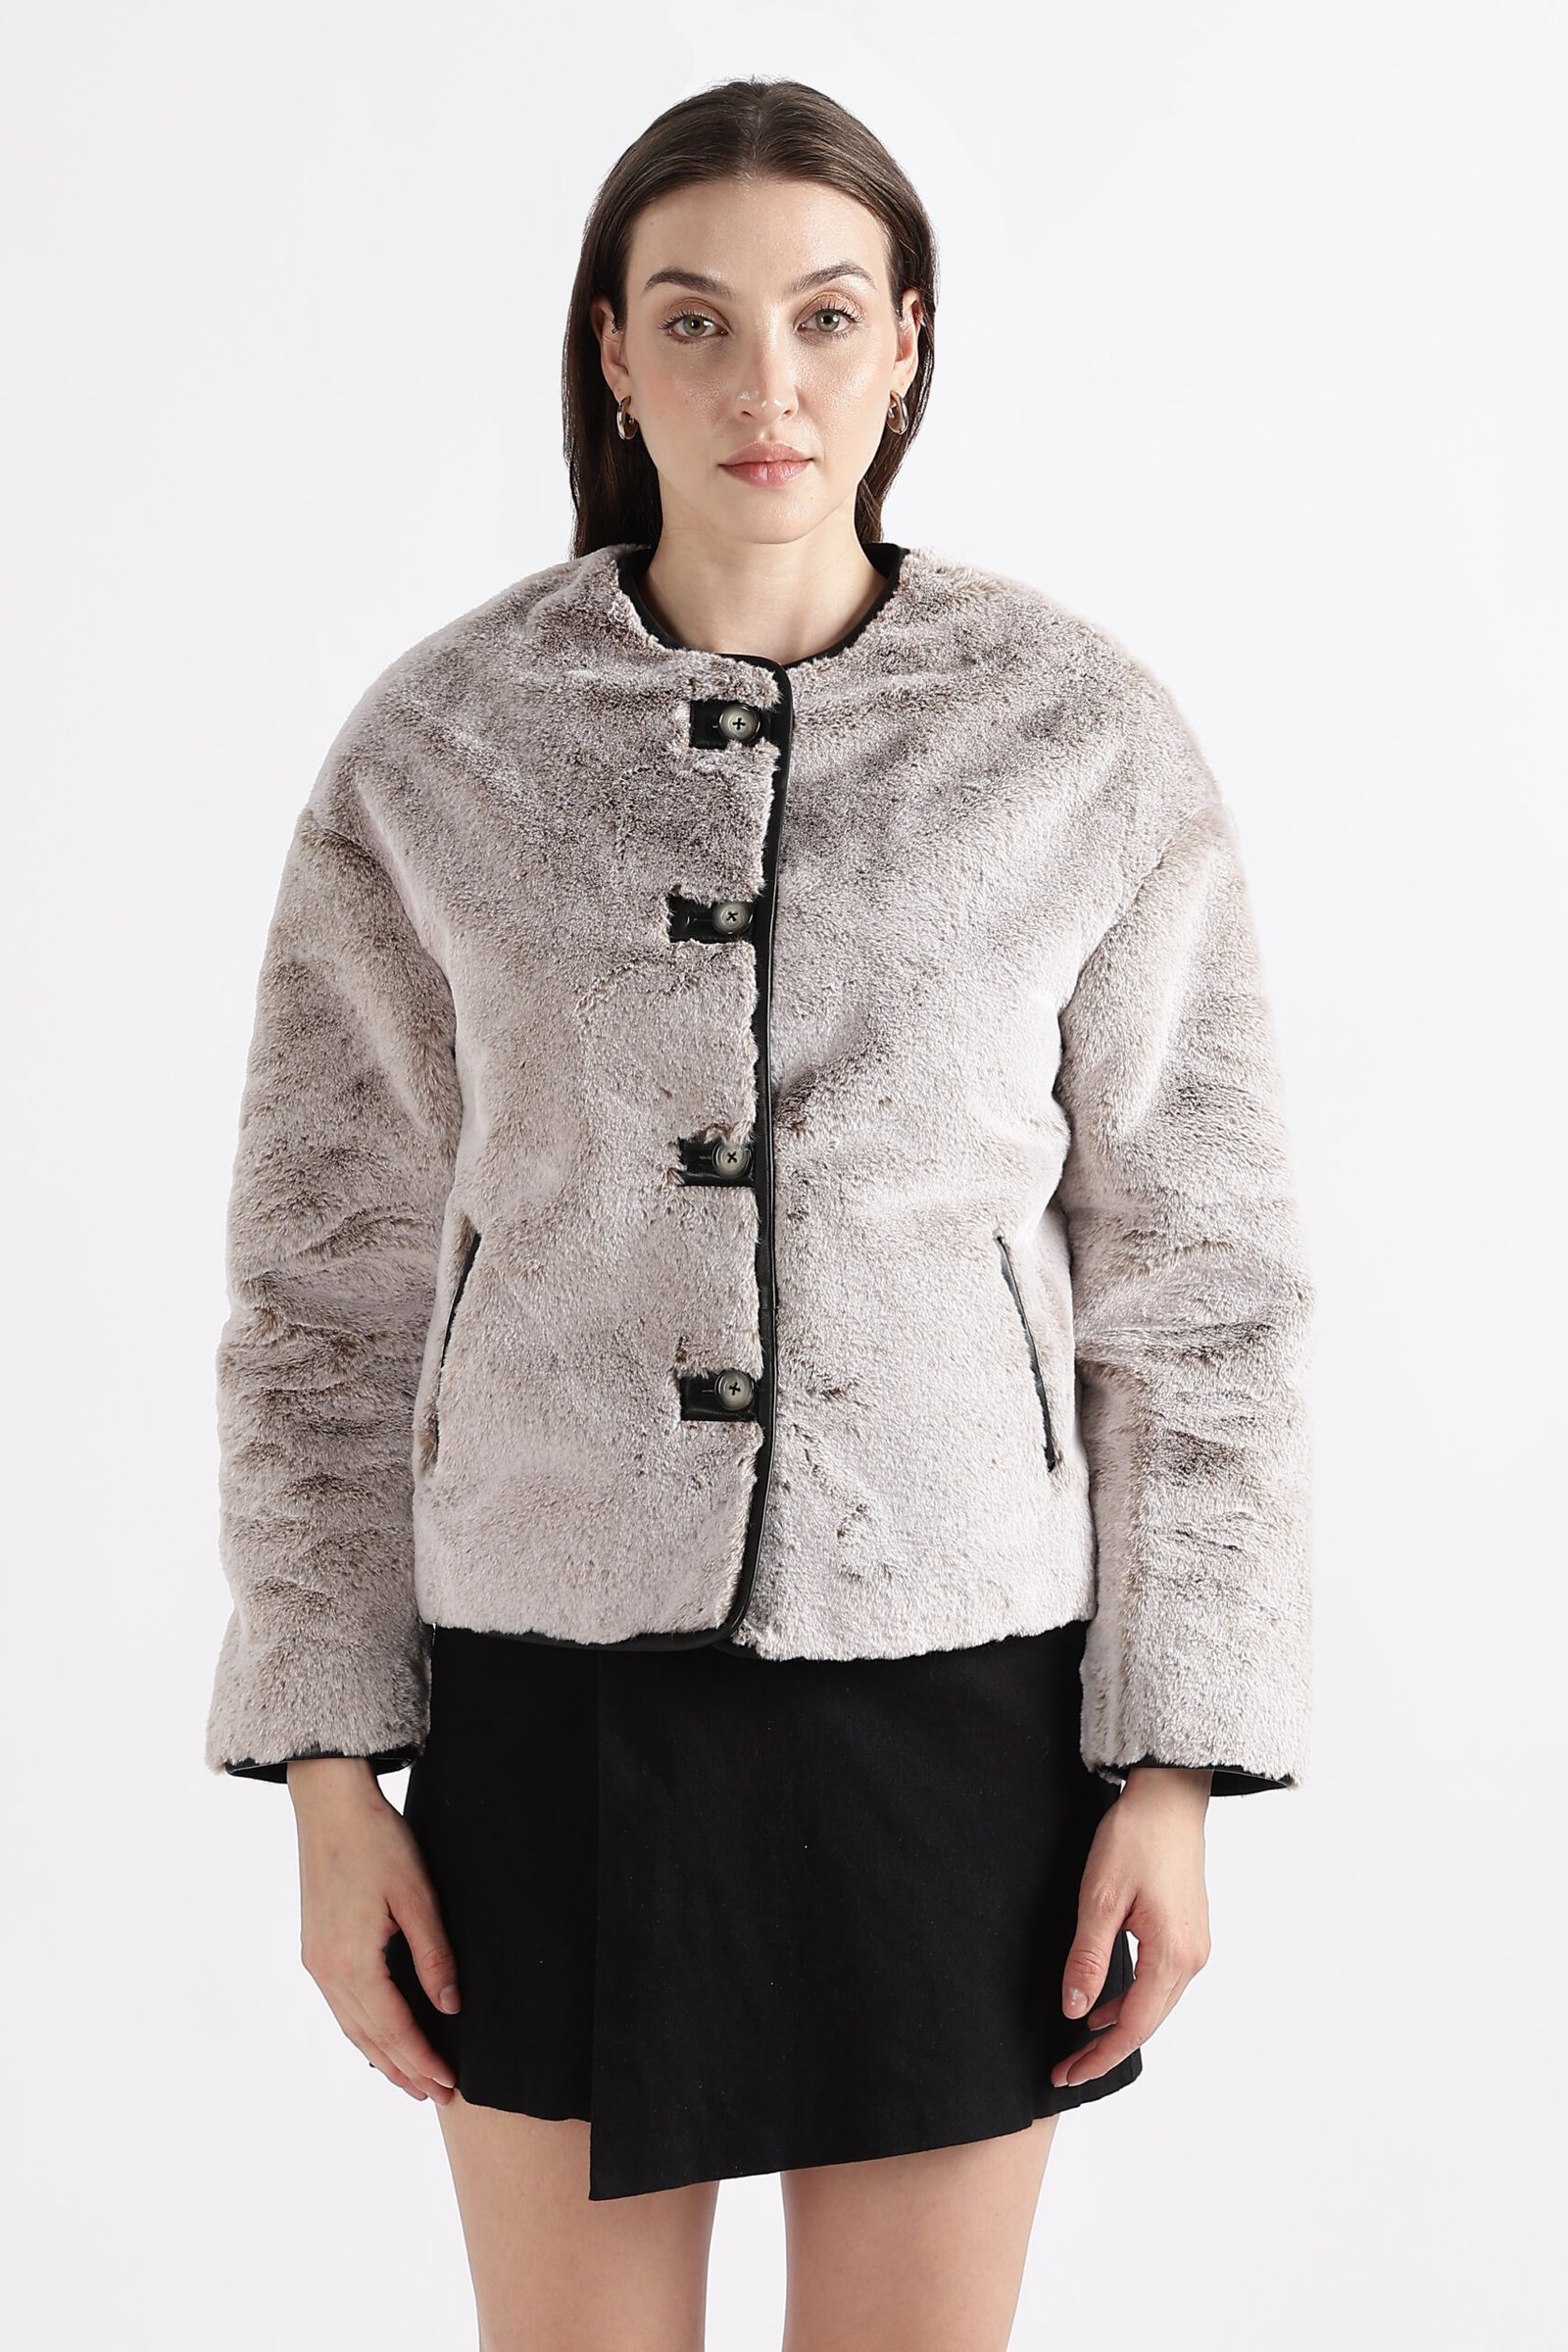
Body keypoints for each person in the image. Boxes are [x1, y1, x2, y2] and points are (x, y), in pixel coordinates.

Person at [204, 75, 1313, 2352]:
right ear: (611, 354)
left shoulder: (1076, 738)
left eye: (821, 316)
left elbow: (1196, 1294)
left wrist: (1172, 1763)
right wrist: (328, 1771)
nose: (764, 386)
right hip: (546, 1708)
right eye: (695, 321)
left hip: (952, 1714)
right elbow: (319, 1297)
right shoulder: (440, 749)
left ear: (907, 343)